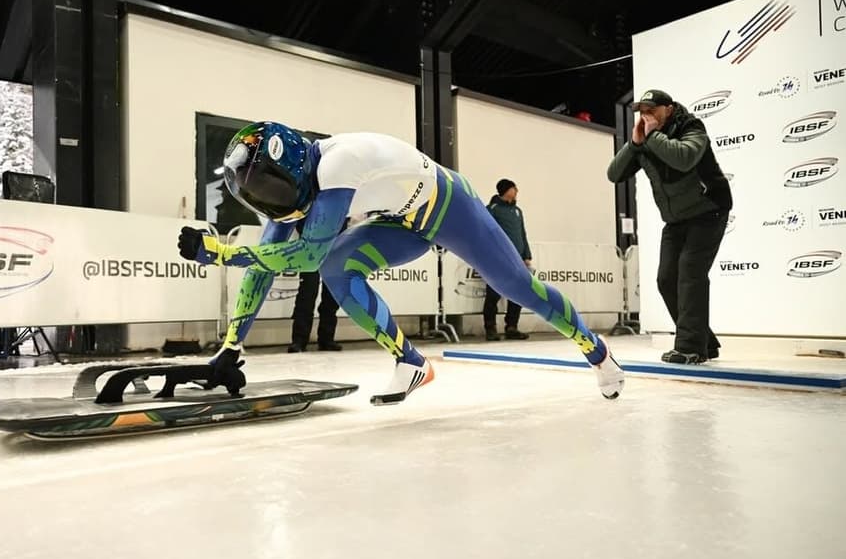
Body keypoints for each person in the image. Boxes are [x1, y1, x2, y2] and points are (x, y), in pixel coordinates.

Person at [178, 122, 625, 404]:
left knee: (517, 287)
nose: (271, 204)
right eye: (260, 197)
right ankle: (411, 364)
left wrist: (220, 252)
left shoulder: (338, 165)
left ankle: (597, 351)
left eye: (273, 191)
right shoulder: (296, 190)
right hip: (400, 221)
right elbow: (263, 265)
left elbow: (306, 254)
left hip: (450, 206)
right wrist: (230, 348)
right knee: (339, 267)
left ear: (293, 168)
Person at [607, 89, 732, 364]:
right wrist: (634, 143)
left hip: (708, 210)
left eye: (652, 110)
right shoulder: (646, 139)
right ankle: (704, 342)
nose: (646, 116)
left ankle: (690, 347)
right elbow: (614, 174)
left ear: (669, 109)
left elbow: (684, 157)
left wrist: (652, 137)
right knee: (666, 280)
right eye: (642, 111)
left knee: (690, 272)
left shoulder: (691, 127)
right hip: (676, 220)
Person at [484, 178, 532, 342]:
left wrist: (526, 255)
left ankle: (512, 326)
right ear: (506, 190)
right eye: (514, 188)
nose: (517, 190)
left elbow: (522, 234)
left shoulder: (518, 211)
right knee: (493, 294)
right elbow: (486, 232)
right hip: (498, 259)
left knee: (517, 293)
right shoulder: (492, 209)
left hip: (517, 260)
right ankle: (490, 328)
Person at [288, 219, 342, 353]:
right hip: (310, 246)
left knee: (331, 295)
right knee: (307, 293)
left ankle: (327, 338)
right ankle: (299, 340)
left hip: (335, 246)